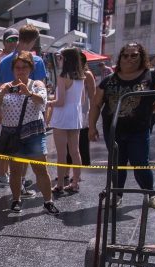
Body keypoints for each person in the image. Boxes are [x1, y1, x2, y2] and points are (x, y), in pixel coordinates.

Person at [89, 42, 155, 209]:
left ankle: (150, 194)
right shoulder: (109, 80)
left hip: (139, 130)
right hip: (114, 130)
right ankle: (117, 195)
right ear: (121, 57)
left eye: (134, 55)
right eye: (126, 55)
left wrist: (151, 110)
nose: (129, 59)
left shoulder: (152, 75)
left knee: (140, 163)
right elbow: (96, 104)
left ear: (141, 56)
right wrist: (91, 127)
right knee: (117, 164)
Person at [0, 51, 60, 215]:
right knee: (15, 170)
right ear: (13, 69)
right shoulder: (6, 86)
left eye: (24, 67)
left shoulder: (37, 84)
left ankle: (48, 201)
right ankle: (16, 200)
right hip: (12, 135)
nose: (20, 71)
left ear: (30, 68)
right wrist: (2, 93)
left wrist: (28, 92)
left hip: (33, 134)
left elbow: (43, 102)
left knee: (40, 170)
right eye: (17, 68)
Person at [0, 24, 48, 199]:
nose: (20, 70)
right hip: (31, 120)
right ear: (33, 40)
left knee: (16, 161)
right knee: (34, 163)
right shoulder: (37, 61)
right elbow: (40, 89)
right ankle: (23, 190)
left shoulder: (3, 60)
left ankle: (18, 192)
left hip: (9, 117)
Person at [48, 47, 85, 194]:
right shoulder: (81, 77)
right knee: (75, 151)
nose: (58, 60)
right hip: (75, 115)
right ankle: (75, 182)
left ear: (66, 59)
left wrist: (48, 102)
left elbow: (61, 101)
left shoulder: (63, 76)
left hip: (62, 116)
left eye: (60, 57)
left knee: (61, 153)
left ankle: (60, 185)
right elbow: (81, 100)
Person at [0, 28, 18, 185]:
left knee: (15, 142)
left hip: (18, 107)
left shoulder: (19, 57)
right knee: (4, 140)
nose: (13, 43)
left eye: (16, 39)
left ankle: (12, 174)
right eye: (10, 40)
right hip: (4, 107)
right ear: (4, 42)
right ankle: (1, 174)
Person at [64, 51, 95, 179]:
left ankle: (77, 174)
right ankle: (65, 172)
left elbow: (93, 96)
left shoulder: (87, 74)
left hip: (82, 113)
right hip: (67, 112)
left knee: (80, 144)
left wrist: (93, 116)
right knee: (66, 144)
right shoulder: (66, 74)